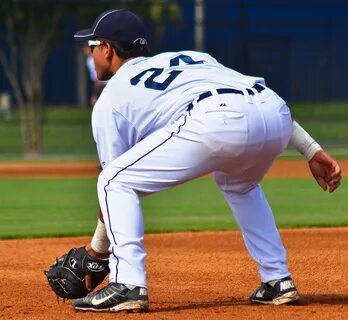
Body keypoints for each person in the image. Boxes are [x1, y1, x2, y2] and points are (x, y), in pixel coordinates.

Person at [72, 9, 342, 313]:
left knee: (113, 181)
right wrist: (310, 149)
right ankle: (277, 279)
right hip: (274, 109)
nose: (90, 53)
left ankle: (128, 284)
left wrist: (97, 250)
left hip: (217, 118)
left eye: (92, 46)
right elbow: (244, 95)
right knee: (239, 183)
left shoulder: (110, 99)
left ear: (107, 49)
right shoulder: (191, 57)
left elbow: (113, 179)